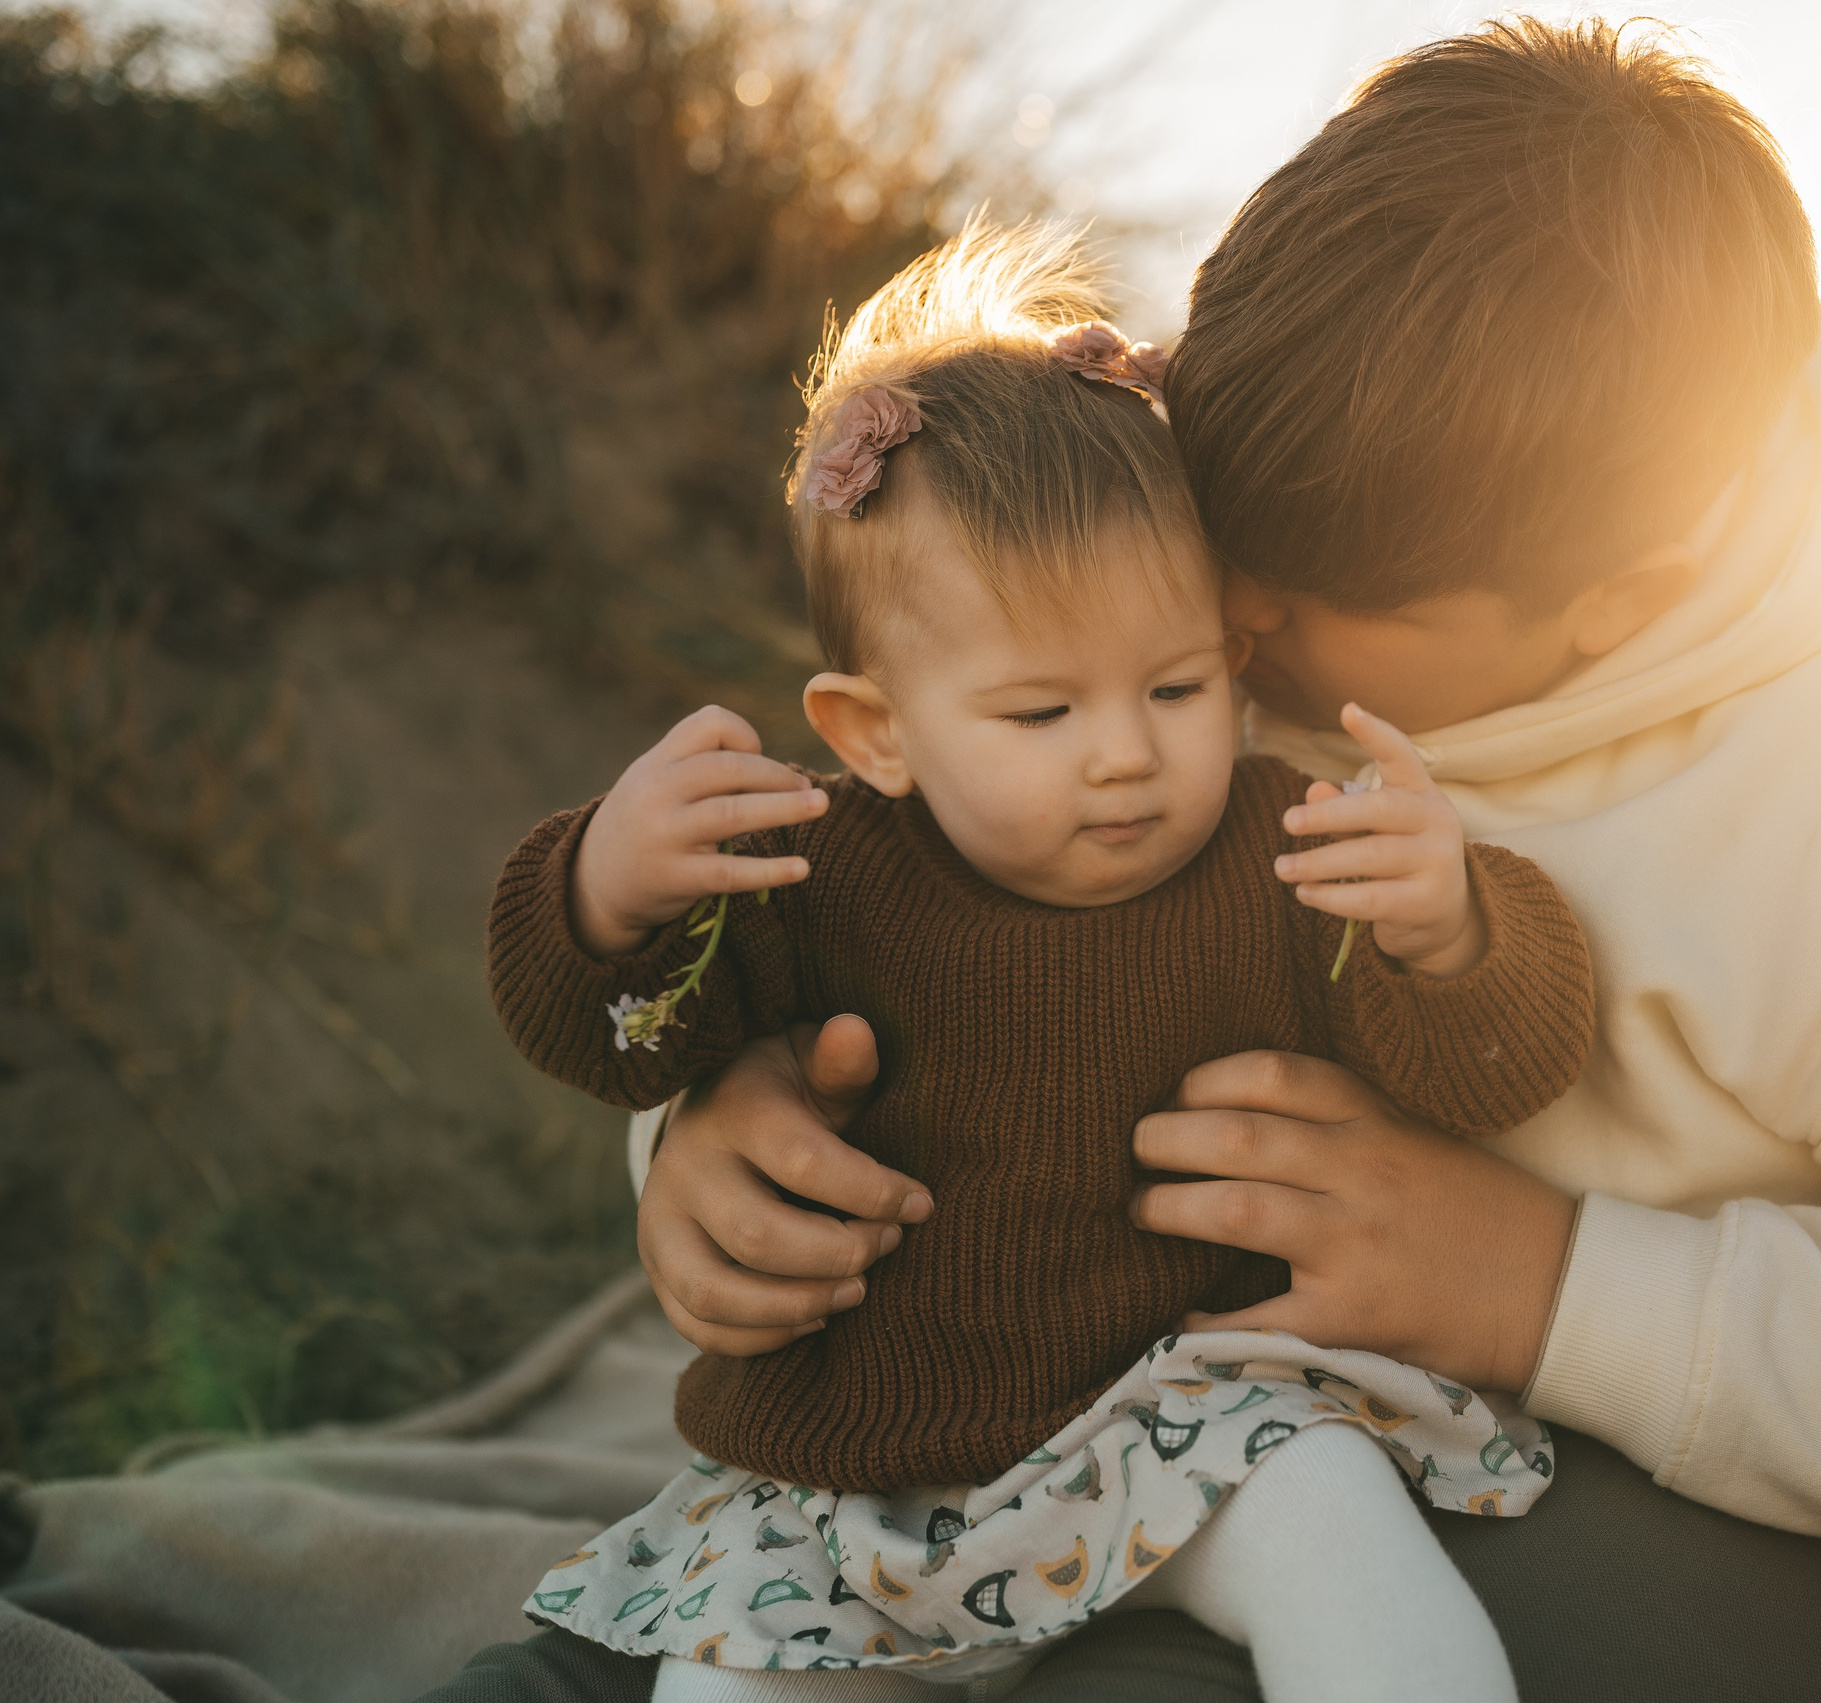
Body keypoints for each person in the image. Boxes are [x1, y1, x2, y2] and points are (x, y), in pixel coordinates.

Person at [438, 17, 1821, 1703]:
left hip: (1730, 1518)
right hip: (1083, 1380)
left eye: (1281, 619)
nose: (1224, 665)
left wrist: (1543, 1285)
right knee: (630, 1655)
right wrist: (710, 1141)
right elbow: (927, 866)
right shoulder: (1310, 421)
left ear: (1624, 596)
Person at [475, 221, 1594, 1702]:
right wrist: (602, 898)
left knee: (1336, 1524)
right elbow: (619, 1039)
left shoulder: (1279, 846)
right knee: (729, 1673)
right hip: (861, 1467)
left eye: (1177, 685)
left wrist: (1451, 928)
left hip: (1187, 1414)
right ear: (877, 732)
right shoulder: (818, 871)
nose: (1128, 756)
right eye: (1039, 716)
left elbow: (1495, 1071)